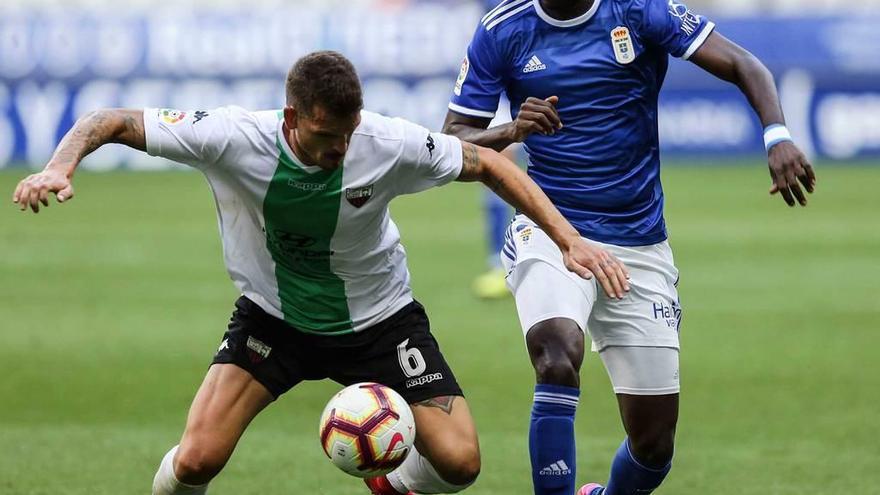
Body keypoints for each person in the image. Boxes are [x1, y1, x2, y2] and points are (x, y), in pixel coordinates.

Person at [12, 50, 630, 495]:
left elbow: (490, 166)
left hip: (382, 323)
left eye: (348, 132)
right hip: (273, 321)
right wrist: (59, 168)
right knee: (197, 460)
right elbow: (109, 121)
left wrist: (569, 241)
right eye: (326, 135)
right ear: (291, 118)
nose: (341, 148)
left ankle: (390, 481)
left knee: (460, 465)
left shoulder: (383, 142)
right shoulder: (232, 137)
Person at [443, 1, 816, 494]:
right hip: (551, 228)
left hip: (639, 242)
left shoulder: (640, 10)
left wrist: (778, 136)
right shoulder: (502, 30)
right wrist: (511, 130)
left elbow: (745, 64)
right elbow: (453, 138)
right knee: (557, 353)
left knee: (654, 445)